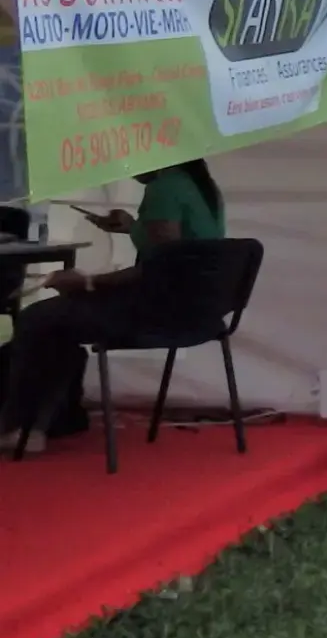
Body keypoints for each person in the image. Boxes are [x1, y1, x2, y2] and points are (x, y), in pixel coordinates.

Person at [3, 159, 225, 455]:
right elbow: (179, 251)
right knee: (57, 321)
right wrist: (134, 228)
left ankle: (19, 427)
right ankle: (37, 427)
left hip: (157, 313)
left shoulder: (164, 189)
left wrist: (88, 282)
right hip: (198, 312)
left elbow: (161, 268)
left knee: (38, 317)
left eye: (132, 162)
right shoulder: (201, 187)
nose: (129, 172)